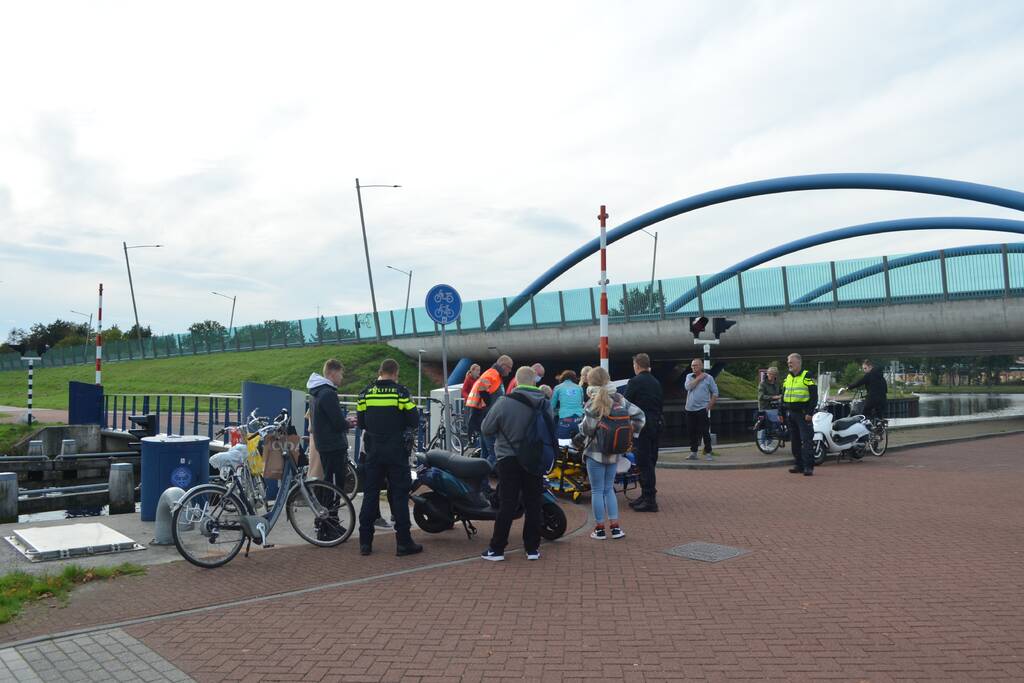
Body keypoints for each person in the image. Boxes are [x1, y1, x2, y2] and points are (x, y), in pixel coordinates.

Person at [480, 366, 554, 562]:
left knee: (507, 504)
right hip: (535, 459)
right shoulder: (544, 403)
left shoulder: (504, 402)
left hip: (508, 458)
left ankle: (497, 549)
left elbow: (486, 428)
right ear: (534, 381)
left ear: (517, 381)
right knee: (533, 503)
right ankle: (532, 549)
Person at [356, 358, 422, 556]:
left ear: (380, 371)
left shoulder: (365, 393)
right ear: (395, 373)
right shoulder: (400, 393)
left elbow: (361, 423)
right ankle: (403, 543)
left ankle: (365, 543)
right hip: (396, 452)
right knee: (399, 495)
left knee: (370, 494)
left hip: (373, 451)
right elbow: (414, 420)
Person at [578, 366, 645, 539]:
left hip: (595, 453)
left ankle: (599, 529)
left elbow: (587, 430)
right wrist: (630, 436)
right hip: (615, 452)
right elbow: (640, 416)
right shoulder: (619, 398)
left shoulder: (592, 401)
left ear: (590, 382)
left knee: (596, 491)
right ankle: (615, 528)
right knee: (609, 489)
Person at [307, 359, 349, 541]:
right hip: (334, 446)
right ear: (332, 373)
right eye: (341, 374)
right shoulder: (328, 394)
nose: (342, 378)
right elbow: (338, 422)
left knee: (327, 486)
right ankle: (327, 526)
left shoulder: (316, 392)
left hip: (323, 444)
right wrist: (349, 422)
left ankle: (328, 521)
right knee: (335, 487)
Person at [622, 353, 663, 512]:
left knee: (643, 462)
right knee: (651, 461)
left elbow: (626, 403)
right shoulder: (656, 382)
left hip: (642, 426)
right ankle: (646, 495)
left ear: (637, 365)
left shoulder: (635, 381)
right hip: (656, 424)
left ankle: (650, 500)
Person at [466, 355, 514, 469]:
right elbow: (482, 389)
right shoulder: (492, 374)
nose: (510, 370)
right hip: (487, 419)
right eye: (509, 368)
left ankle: (480, 479)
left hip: (485, 419)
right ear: (503, 365)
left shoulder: (495, 375)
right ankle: (480, 476)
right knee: (493, 453)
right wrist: (489, 405)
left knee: (486, 453)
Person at [782, 352, 818, 476]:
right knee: (795, 441)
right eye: (788, 362)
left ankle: (808, 467)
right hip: (791, 413)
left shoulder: (807, 375)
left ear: (798, 363)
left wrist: (810, 412)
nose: (789, 364)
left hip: (803, 414)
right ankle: (798, 464)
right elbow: (784, 395)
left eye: (791, 362)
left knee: (806, 440)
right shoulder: (788, 377)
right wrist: (781, 412)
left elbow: (814, 396)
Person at [683, 359, 718, 461]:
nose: (694, 367)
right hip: (689, 409)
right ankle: (693, 452)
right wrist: (699, 378)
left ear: (701, 366)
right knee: (691, 431)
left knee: (704, 431)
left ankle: (708, 452)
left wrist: (710, 405)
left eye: (696, 365)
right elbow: (687, 387)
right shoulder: (689, 376)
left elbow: (715, 392)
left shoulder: (709, 378)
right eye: (692, 365)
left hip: (702, 409)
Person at [551, 370, 585, 440]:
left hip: (565, 420)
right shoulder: (579, 388)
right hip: (579, 420)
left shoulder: (558, 387)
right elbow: (581, 403)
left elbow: (552, 406)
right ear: (574, 378)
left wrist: (558, 411)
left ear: (562, 378)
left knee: (561, 444)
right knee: (581, 443)